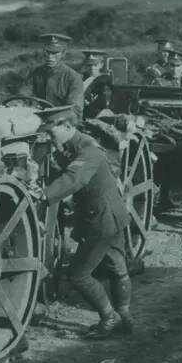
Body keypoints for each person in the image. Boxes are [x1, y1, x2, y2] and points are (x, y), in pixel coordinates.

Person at [39, 105, 133, 339]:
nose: (50, 138)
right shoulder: (71, 147)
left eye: (52, 133)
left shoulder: (89, 149)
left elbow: (74, 178)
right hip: (110, 215)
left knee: (79, 275)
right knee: (117, 267)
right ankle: (125, 319)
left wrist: (44, 195)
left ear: (68, 126)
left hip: (101, 220)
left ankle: (109, 318)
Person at [19, 33, 85, 119]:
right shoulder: (35, 72)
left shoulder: (73, 77)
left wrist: (52, 117)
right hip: (37, 117)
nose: (50, 57)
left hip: (63, 122)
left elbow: (75, 109)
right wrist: (18, 103)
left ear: (63, 53)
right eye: (47, 52)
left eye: (55, 53)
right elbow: (23, 95)